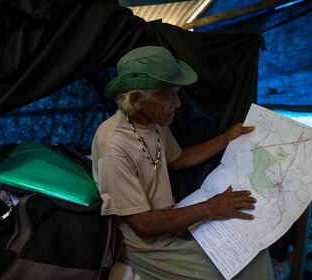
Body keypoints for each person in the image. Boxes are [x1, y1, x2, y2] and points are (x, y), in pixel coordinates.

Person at [92, 46, 274, 279]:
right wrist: (210, 208)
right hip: (146, 246)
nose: (178, 103)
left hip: (171, 226)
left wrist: (226, 138)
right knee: (230, 273)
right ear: (137, 99)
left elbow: (179, 158)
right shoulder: (113, 144)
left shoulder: (153, 122)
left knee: (256, 254)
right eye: (168, 96)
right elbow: (143, 225)